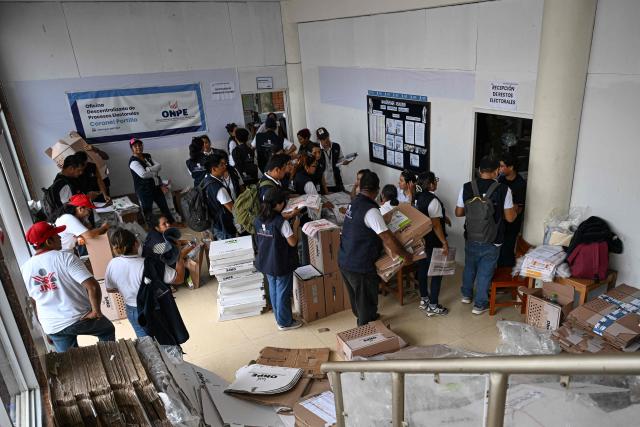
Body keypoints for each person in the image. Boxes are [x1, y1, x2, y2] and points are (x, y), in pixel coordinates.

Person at [20, 222, 115, 352]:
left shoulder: (25, 268)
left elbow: (33, 301)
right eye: (56, 235)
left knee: (70, 359)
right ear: (48, 241)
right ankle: (111, 356)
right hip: (79, 318)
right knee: (107, 330)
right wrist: (96, 311)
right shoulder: (66, 258)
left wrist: (46, 329)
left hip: (52, 326)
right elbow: (92, 286)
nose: (60, 237)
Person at [339, 171, 412, 326]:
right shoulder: (371, 210)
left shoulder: (354, 203)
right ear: (377, 190)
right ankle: (365, 333)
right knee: (365, 299)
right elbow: (387, 238)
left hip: (345, 258)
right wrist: (405, 255)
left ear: (360, 186)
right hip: (359, 264)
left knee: (358, 298)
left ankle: (369, 317)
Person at [455, 157, 517, 315]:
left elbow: (459, 212)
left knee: (470, 266)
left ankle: (467, 295)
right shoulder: (504, 190)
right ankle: (479, 304)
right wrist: (515, 209)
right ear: (497, 171)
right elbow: (510, 218)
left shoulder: (467, 187)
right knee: (485, 271)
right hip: (493, 239)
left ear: (479, 170)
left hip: (471, 236)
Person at [105, 228, 189, 337]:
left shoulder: (112, 264)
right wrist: (180, 257)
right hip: (153, 310)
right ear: (136, 244)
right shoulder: (150, 264)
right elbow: (179, 279)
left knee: (147, 344)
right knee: (166, 341)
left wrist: (129, 289)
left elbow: (109, 288)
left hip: (131, 310)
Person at [254, 188, 302, 331]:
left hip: (266, 261)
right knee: (283, 292)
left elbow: (270, 227)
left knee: (274, 289)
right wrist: (295, 226)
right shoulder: (282, 223)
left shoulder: (258, 219)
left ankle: (279, 316)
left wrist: (286, 218)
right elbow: (292, 242)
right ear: (279, 204)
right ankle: (285, 322)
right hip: (281, 262)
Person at [414, 172, 450, 316]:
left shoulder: (418, 198)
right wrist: (444, 243)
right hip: (434, 241)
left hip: (422, 241)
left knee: (422, 270)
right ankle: (434, 305)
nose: (436, 182)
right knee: (437, 272)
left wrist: (443, 218)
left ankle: (424, 300)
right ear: (430, 184)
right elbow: (436, 225)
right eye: (435, 180)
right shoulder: (433, 201)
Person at [128, 138, 176, 226]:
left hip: (156, 187)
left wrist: (149, 169)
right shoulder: (133, 162)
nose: (138, 147)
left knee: (164, 207)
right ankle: (152, 229)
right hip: (144, 190)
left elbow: (159, 166)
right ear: (132, 148)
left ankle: (171, 223)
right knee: (148, 211)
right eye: (135, 146)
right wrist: (153, 172)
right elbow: (143, 175)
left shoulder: (147, 156)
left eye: (140, 145)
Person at [498, 153, 527, 267]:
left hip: (512, 225)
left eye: (502, 166)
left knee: (507, 251)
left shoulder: (520, 184)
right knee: (498, 251)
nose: (500, 169)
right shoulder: (500, 180)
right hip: (499, 223)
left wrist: (506, 211)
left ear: (511, 167)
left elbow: (517, 209)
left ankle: (505, 279)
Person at [203, 153, 238, 240]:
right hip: (224, 226)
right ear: (214, 169)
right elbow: (232, 209)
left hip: (215, 223)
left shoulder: (206, 180)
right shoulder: (219, 189)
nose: (225, 167)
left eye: (224, 164)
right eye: (221, 165)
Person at [316, 127, 352, 193]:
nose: (325, 140)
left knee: (342, 198)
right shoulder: (316, 149)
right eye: (323, 139)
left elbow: (340, 159)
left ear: (328, 135)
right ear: (319, 140)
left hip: (337, 180)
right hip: (324, 183)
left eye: (326, 137)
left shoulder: (336, 146)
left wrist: (345, 161)